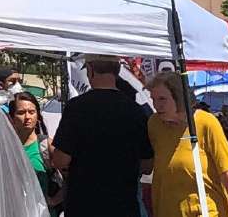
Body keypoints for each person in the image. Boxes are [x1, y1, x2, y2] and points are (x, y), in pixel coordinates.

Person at [52, 54, 153, 217]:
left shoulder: (76, 108)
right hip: (124, 206)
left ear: (90, 70)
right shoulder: (136, 111)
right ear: (118, 69)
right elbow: (148, 165)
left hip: (84, 204)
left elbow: (60, 159)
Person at [146, 70, 228, 217]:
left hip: (204, 211)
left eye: (162, 99)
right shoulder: (154, 124)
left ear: (179, 98)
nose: (156, 105)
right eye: (153, 99)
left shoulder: (205, 122)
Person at [8, 92, 63, 216]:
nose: (27, 117)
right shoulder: (7, 147)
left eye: (31, 112)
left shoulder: (46, 145)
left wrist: (54, 201)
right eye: (21, 112)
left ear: (38, 115)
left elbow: (72, 177)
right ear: (12, 117)